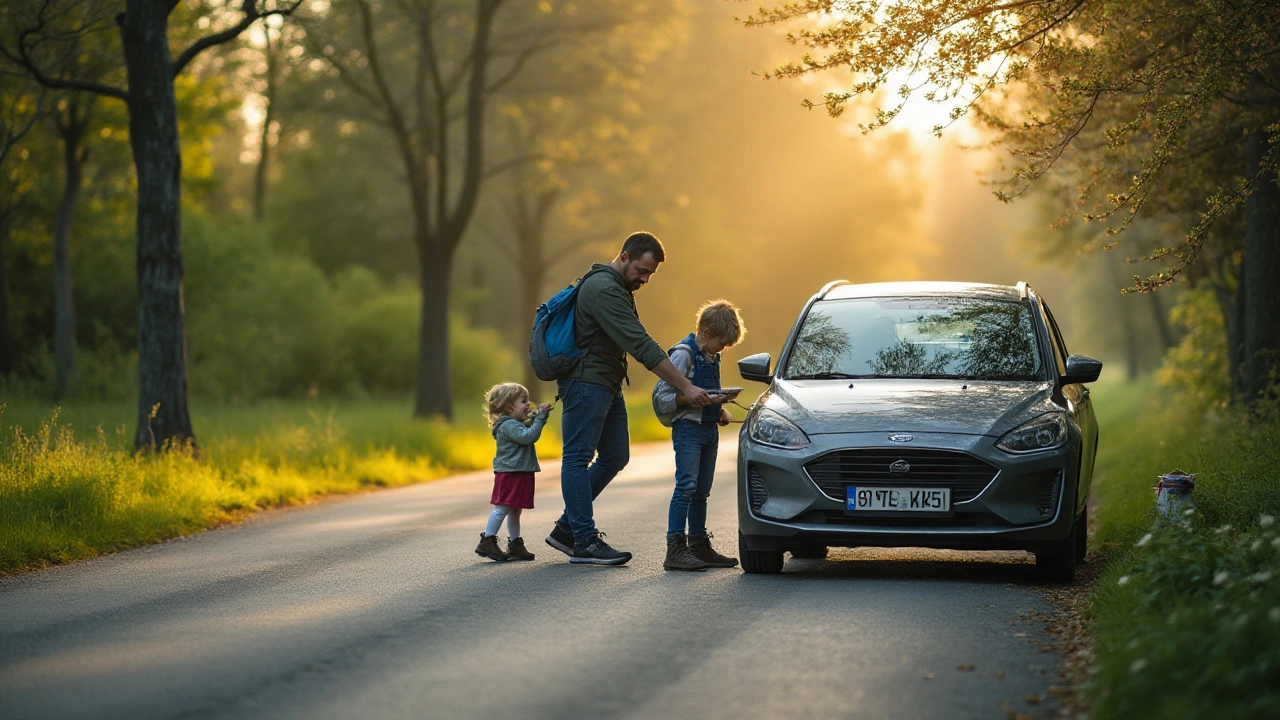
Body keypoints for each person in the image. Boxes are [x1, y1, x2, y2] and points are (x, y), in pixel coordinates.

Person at [545, 231, 713, 565]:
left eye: (650, 274)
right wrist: (685, 385)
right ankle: (583, 540)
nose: (645, 279)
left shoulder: (617, 287)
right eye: (642, 270)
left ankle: (567, 529)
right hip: (585, 384)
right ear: (624, 257)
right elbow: (640, 344)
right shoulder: (605, 289)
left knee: (615, 456)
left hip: (606, 384)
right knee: (577, 458)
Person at [653, 300, 746, 571]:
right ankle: (675, 548)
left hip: (709, 429)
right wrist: (692, 400)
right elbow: (664, 398)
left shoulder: (712, 356)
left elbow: (706, 392)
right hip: (688, 430)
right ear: (706, 332)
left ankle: (699, 544)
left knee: (701, 492)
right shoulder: (684, 354)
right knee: (686, 488)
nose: (723, 348)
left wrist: (719, 407)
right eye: (721, 341)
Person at [476, 382, 551, 563]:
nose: (528, 405)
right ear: (510, 407)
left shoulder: (513, 423)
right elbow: (528, 437)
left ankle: (515, 543)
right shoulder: (509, 425)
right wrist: (539, 419)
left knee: (514, 510)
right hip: (511, 473)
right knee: (502, 507)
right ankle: (487, 540)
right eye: (523, 401)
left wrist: (537, 418)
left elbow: (526, 431)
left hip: (518, 471)